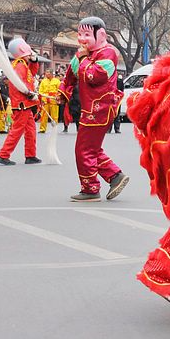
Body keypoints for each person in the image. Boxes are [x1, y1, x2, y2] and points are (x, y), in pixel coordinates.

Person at [58, 17, 129, 202]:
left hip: (100, 108)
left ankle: (90, 188)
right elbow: (71, 76)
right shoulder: (85, 54)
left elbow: (94, 75)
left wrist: (82, 58)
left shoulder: (108, 53)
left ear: (101, 35)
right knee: (91, 148)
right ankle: (115, 176)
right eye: (80, 34)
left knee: (83, 150)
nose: (82, 39)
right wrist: (63, 93)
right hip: (89, 108)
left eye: (87, 34)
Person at [0, 38, 41, 166]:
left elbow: (30, 74)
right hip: (22, 103)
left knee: (30, 130)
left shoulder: (21, 64)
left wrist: (34, 61)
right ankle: (3, 154)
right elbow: (19, 84)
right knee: (17, 130)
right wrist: (29, 94)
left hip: (25, 103)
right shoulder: (20, 65)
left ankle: (30, 155)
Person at [38, 69, 61, 133]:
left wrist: (57, 96)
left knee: (55, 116)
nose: (46, 74)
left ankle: (54, 128)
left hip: (53, 100)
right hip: (45, 100)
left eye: (48, 72)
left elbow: (60, 90)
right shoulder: (43, 81)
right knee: (43, 115)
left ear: (51, 74)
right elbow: (40, 91)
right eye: (46, 72)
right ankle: (42, 129)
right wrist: (42, 99)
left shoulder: (57, 81)